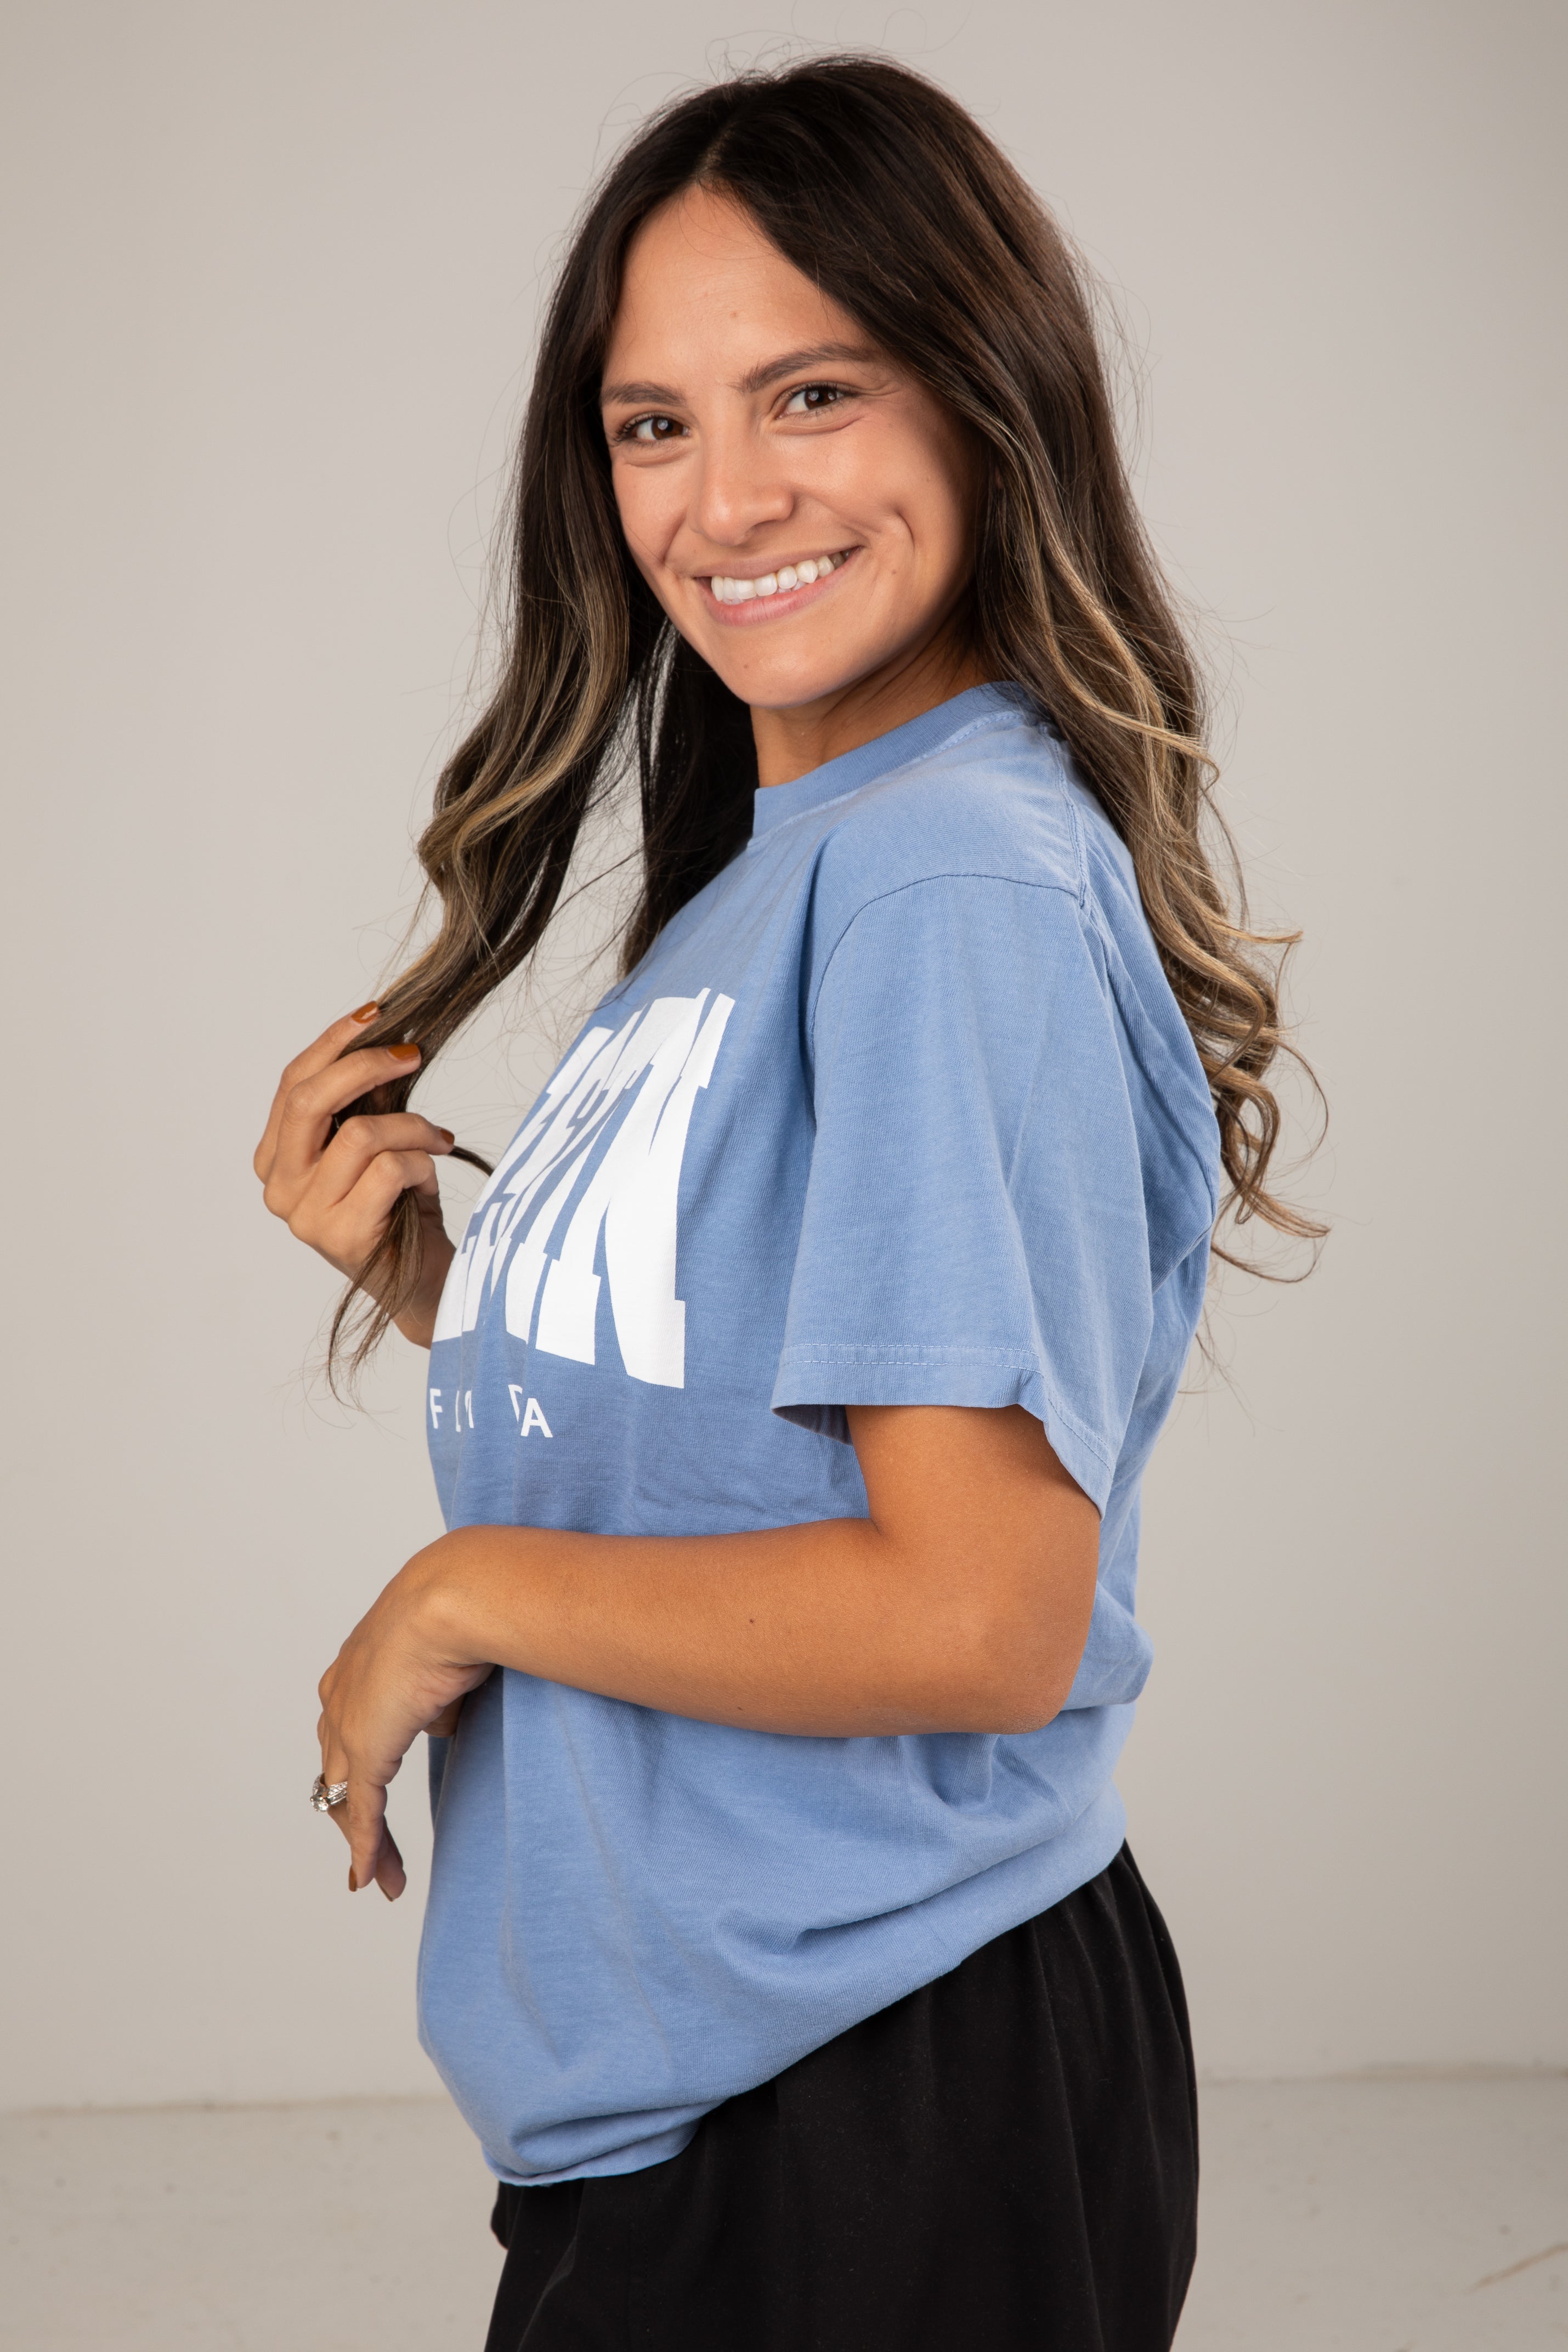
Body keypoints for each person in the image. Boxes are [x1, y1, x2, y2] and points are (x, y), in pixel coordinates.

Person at [254, 55, 1316, 2351]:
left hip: (876, 2096)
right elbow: (779, 1410)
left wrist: (459, 1590)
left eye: (811, 393)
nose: (724, 497)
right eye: (652, 423)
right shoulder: (794, 865)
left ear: (984, 397)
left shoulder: (944, 876)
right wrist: (454, 1285)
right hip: (727, 2103)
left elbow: (976, 1613)